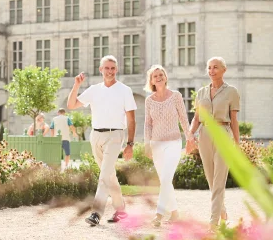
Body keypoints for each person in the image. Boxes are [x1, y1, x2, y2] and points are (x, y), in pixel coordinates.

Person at [68, 55, 137, 226]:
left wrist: (130, 144)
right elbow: (71, 105)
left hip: (115, 135)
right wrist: (76, 84)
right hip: (96, 135)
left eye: (113, 68)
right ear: (101, 70)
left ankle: (96, 213)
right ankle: (121, 210)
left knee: (104, 175)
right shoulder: (94, 90)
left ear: (117, 70)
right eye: (106, 68)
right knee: (109, 175)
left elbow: (131, 119)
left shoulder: (125, 90)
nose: (110, 71)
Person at [189, 57, 241, 228]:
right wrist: (190, 134)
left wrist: (237, 143)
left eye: (215, 67)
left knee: (219, 181)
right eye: (209, 67)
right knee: (211, 179)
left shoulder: (231, 91)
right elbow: (196, 118)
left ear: (223, 70)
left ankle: (213, 223)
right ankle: (222, 211)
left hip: (223, 134)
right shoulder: (201, 92)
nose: (211, 71)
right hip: (204, 134)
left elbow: (234, 120)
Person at [143, 65, 194, 228]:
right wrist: (147, 145)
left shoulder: (176, 96)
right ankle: (175, 213)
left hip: (173, 142)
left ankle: (158, 214)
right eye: (155, 75)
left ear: (165, 77)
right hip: (156, 144)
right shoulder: (149, 100)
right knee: (165, 180)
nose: (158, 77)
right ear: (151, 80)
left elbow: (183, 118)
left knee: (165, 178)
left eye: (161, 74)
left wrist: (189, 137)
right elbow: (147, 125)